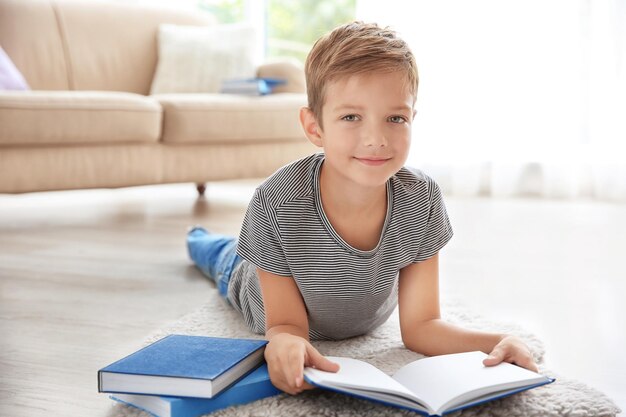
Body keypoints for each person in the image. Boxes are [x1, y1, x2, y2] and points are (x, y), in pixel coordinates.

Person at [187, 21, 538, 396]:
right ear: (314, 126)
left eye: (395, 118)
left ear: (412, 120)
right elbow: (287, 326)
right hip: (250, 283)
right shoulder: (274, 202)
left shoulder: (421, 200)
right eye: (351, 117)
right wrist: (285, 343)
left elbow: (422, 326)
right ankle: (199, 239)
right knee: (219, 257)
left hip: (357, 314)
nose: (376, 139)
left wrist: (498, 340)